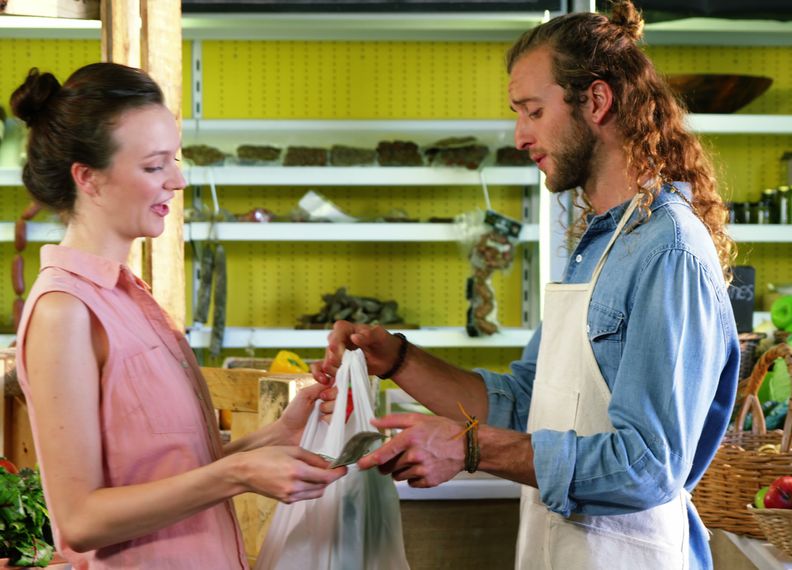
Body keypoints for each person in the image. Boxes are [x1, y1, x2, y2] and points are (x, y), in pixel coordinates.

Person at [315, 2, 739, 568]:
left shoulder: (668, 252)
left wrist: (467, 447)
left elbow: (648, 466)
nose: (520, 135)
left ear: (595, 101)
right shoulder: (598, 245)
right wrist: (397, 360)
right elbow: (524, 405)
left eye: (533, 112)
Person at [12, 63, 346, 569]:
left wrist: (271, 440)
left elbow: (165, 476)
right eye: (153, 166)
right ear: (89, 178)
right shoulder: (66, 310)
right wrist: (239, 475)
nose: (178, 180)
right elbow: (80, 521)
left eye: (175, 160)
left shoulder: (129, 297)